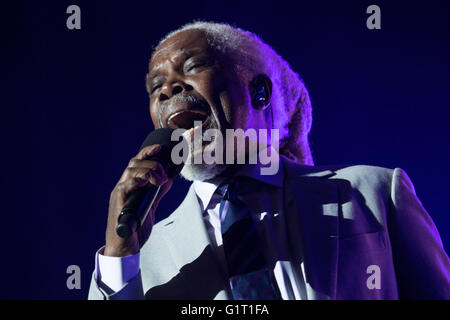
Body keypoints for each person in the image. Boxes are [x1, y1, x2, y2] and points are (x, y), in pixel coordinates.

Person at [88, 21, 450, 300]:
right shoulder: (138, 258)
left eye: (193, 66)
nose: (168, 89)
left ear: (259, 91)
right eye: (156, 87)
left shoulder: (374, 192)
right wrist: (119, 254)